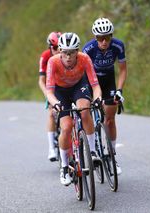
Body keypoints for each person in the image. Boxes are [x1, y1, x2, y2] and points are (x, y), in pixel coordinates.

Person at [46, 32, 102, 186]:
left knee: (84, 110)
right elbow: (49, 92)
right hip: (60, 91)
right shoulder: (53, 62)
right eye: (64, 52)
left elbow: (95, 85)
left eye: (72, 53)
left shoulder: (84, 58)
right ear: (60, 51)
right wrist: (55, 103)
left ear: (77, 51)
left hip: (79, 85)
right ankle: (64, 167)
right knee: (66, 126)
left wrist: (97, 98)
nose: (68, 57)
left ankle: (92, 151)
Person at [82, 18, 127, 175]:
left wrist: (120, 90)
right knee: (85, 111)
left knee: (110, 118)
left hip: (108, 81)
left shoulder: (118, 45)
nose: (103, 41)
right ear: (95, 38)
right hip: (92, 81)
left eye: (107, 37)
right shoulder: (88, 49)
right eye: (100, 38)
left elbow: (122, 70)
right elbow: (83, 72)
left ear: (111, 36)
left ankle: (112, 156)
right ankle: (90, 148)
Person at [38, 31, 62, 161]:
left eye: (59, 47)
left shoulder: (65, 55)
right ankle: (51, 148)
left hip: (64, 84)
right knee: (52, 113)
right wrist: (48, 95)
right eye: (54, 48)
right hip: (51, 87)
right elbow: (41, 80)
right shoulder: (45, 56)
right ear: (49, 47)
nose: (57, 50)